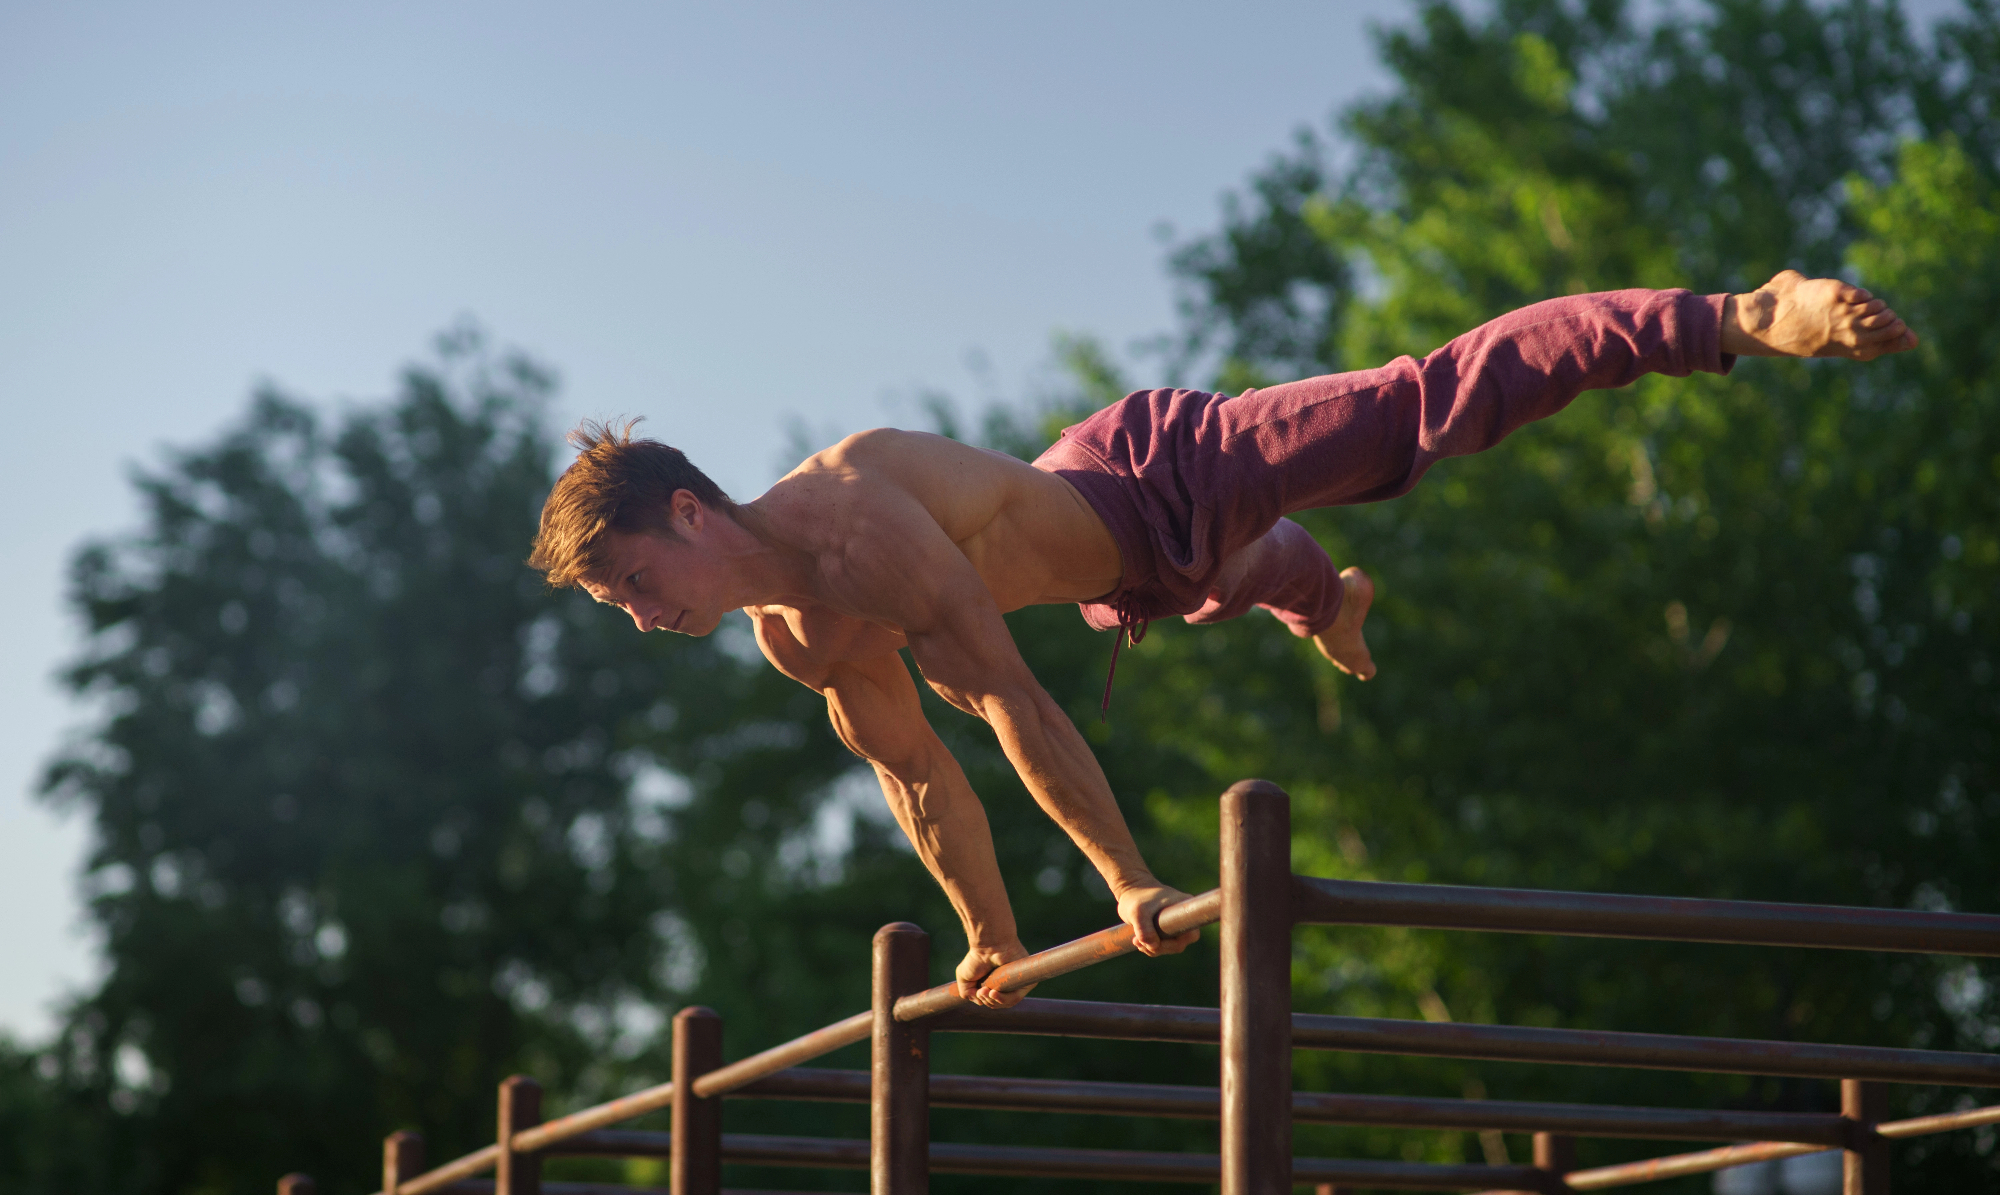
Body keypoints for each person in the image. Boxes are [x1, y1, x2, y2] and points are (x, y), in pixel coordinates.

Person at [527, 271, 1917, 1007]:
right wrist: (988, 942)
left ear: (693, 512)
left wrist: (1129, 880)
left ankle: (1732, 315)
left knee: (1416, 410)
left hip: (1154, 469)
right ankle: (1331, 598)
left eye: (639, 582)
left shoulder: (852, 524)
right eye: (623, 609)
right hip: (1128, 567)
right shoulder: (798, 636)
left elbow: (1004, 706)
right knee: (1240, 577)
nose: (648, 621)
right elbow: (914, 775)